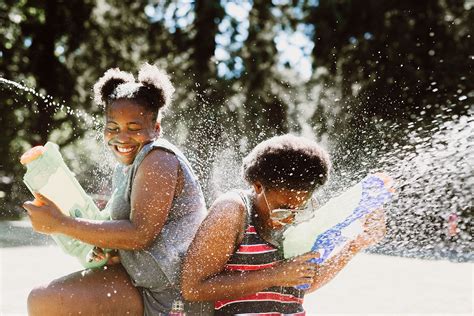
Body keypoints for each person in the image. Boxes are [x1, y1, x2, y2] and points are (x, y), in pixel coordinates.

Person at [23, 63, 210, 315]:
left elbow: (141, 234)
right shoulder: (127, 167)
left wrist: (61, 223)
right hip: (143, 281)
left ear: (156, 128)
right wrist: (111, 249)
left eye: (134, 129)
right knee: (45, 298)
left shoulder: (158, 158)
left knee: (44, 300)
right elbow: (127, 232)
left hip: (171, 294)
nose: (121, 138)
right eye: (113, 128)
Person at [181, 134, 386, 315]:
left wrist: (356, 244)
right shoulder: (232, 212)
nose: (291, 217)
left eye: (300, 207)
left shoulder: (300, 216)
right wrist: (275, 275)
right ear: (258, 186)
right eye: (283, 208)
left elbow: (305, 282)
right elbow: (193, 287)